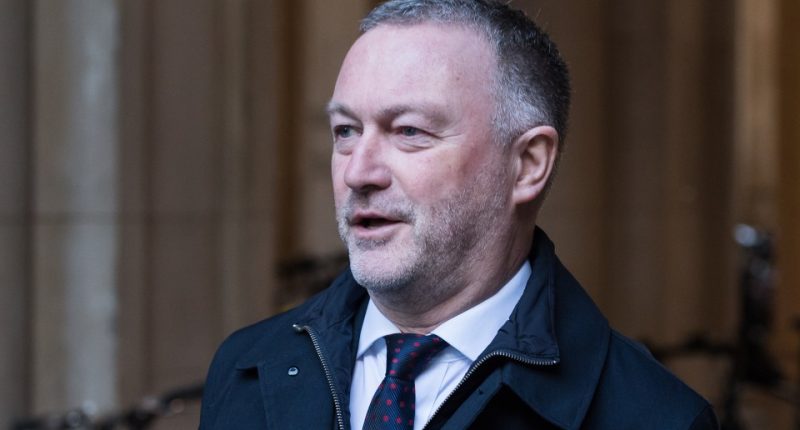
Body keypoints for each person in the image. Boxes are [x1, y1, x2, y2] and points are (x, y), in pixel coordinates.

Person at [199, 1, 719, 428]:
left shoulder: (655, 418)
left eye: (409, 131)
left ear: (527, 165)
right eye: (346, 131)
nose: (358, 172)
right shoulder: (245, 367)